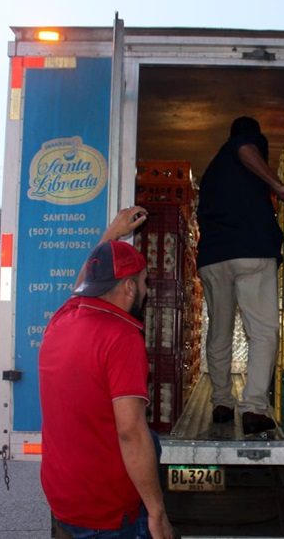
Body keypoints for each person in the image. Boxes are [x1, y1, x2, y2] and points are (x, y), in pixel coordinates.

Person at [39, 206, 173, 539]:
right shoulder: (122, 337)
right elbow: (130, 431)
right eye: (143, 283)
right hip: (107, 512)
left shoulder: (62, 319)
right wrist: (156, 513)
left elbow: (82, 283)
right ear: (128, 288)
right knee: (147, 440)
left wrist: (110, 237)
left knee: (154, 442)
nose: (147, 290)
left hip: (65, 499)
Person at [196, 116, 284, 435]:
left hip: (213, 258)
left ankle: (222, 403)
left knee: (219, 332)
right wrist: (277, 185)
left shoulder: (211, 173)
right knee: (263, 331)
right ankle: (253, 408)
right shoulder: (246, 145)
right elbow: (245, 148)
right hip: (251, 251)